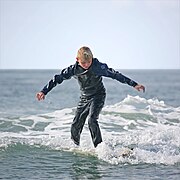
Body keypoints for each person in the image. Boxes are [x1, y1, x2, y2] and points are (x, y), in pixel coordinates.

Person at [36, 46, 145, 148]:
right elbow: (57, 79)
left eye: (89, 62)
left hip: (98, 95)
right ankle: (75, 147)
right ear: (77, 59)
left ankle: (100, 148)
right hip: (84, 97)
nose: (87, 65)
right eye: (83, 63)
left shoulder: (98, 67)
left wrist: (134, 84)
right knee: (76, 124)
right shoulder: (73, 70)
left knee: (92, 120)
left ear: (92, 59)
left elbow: (116, 75)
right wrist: (44, 91)